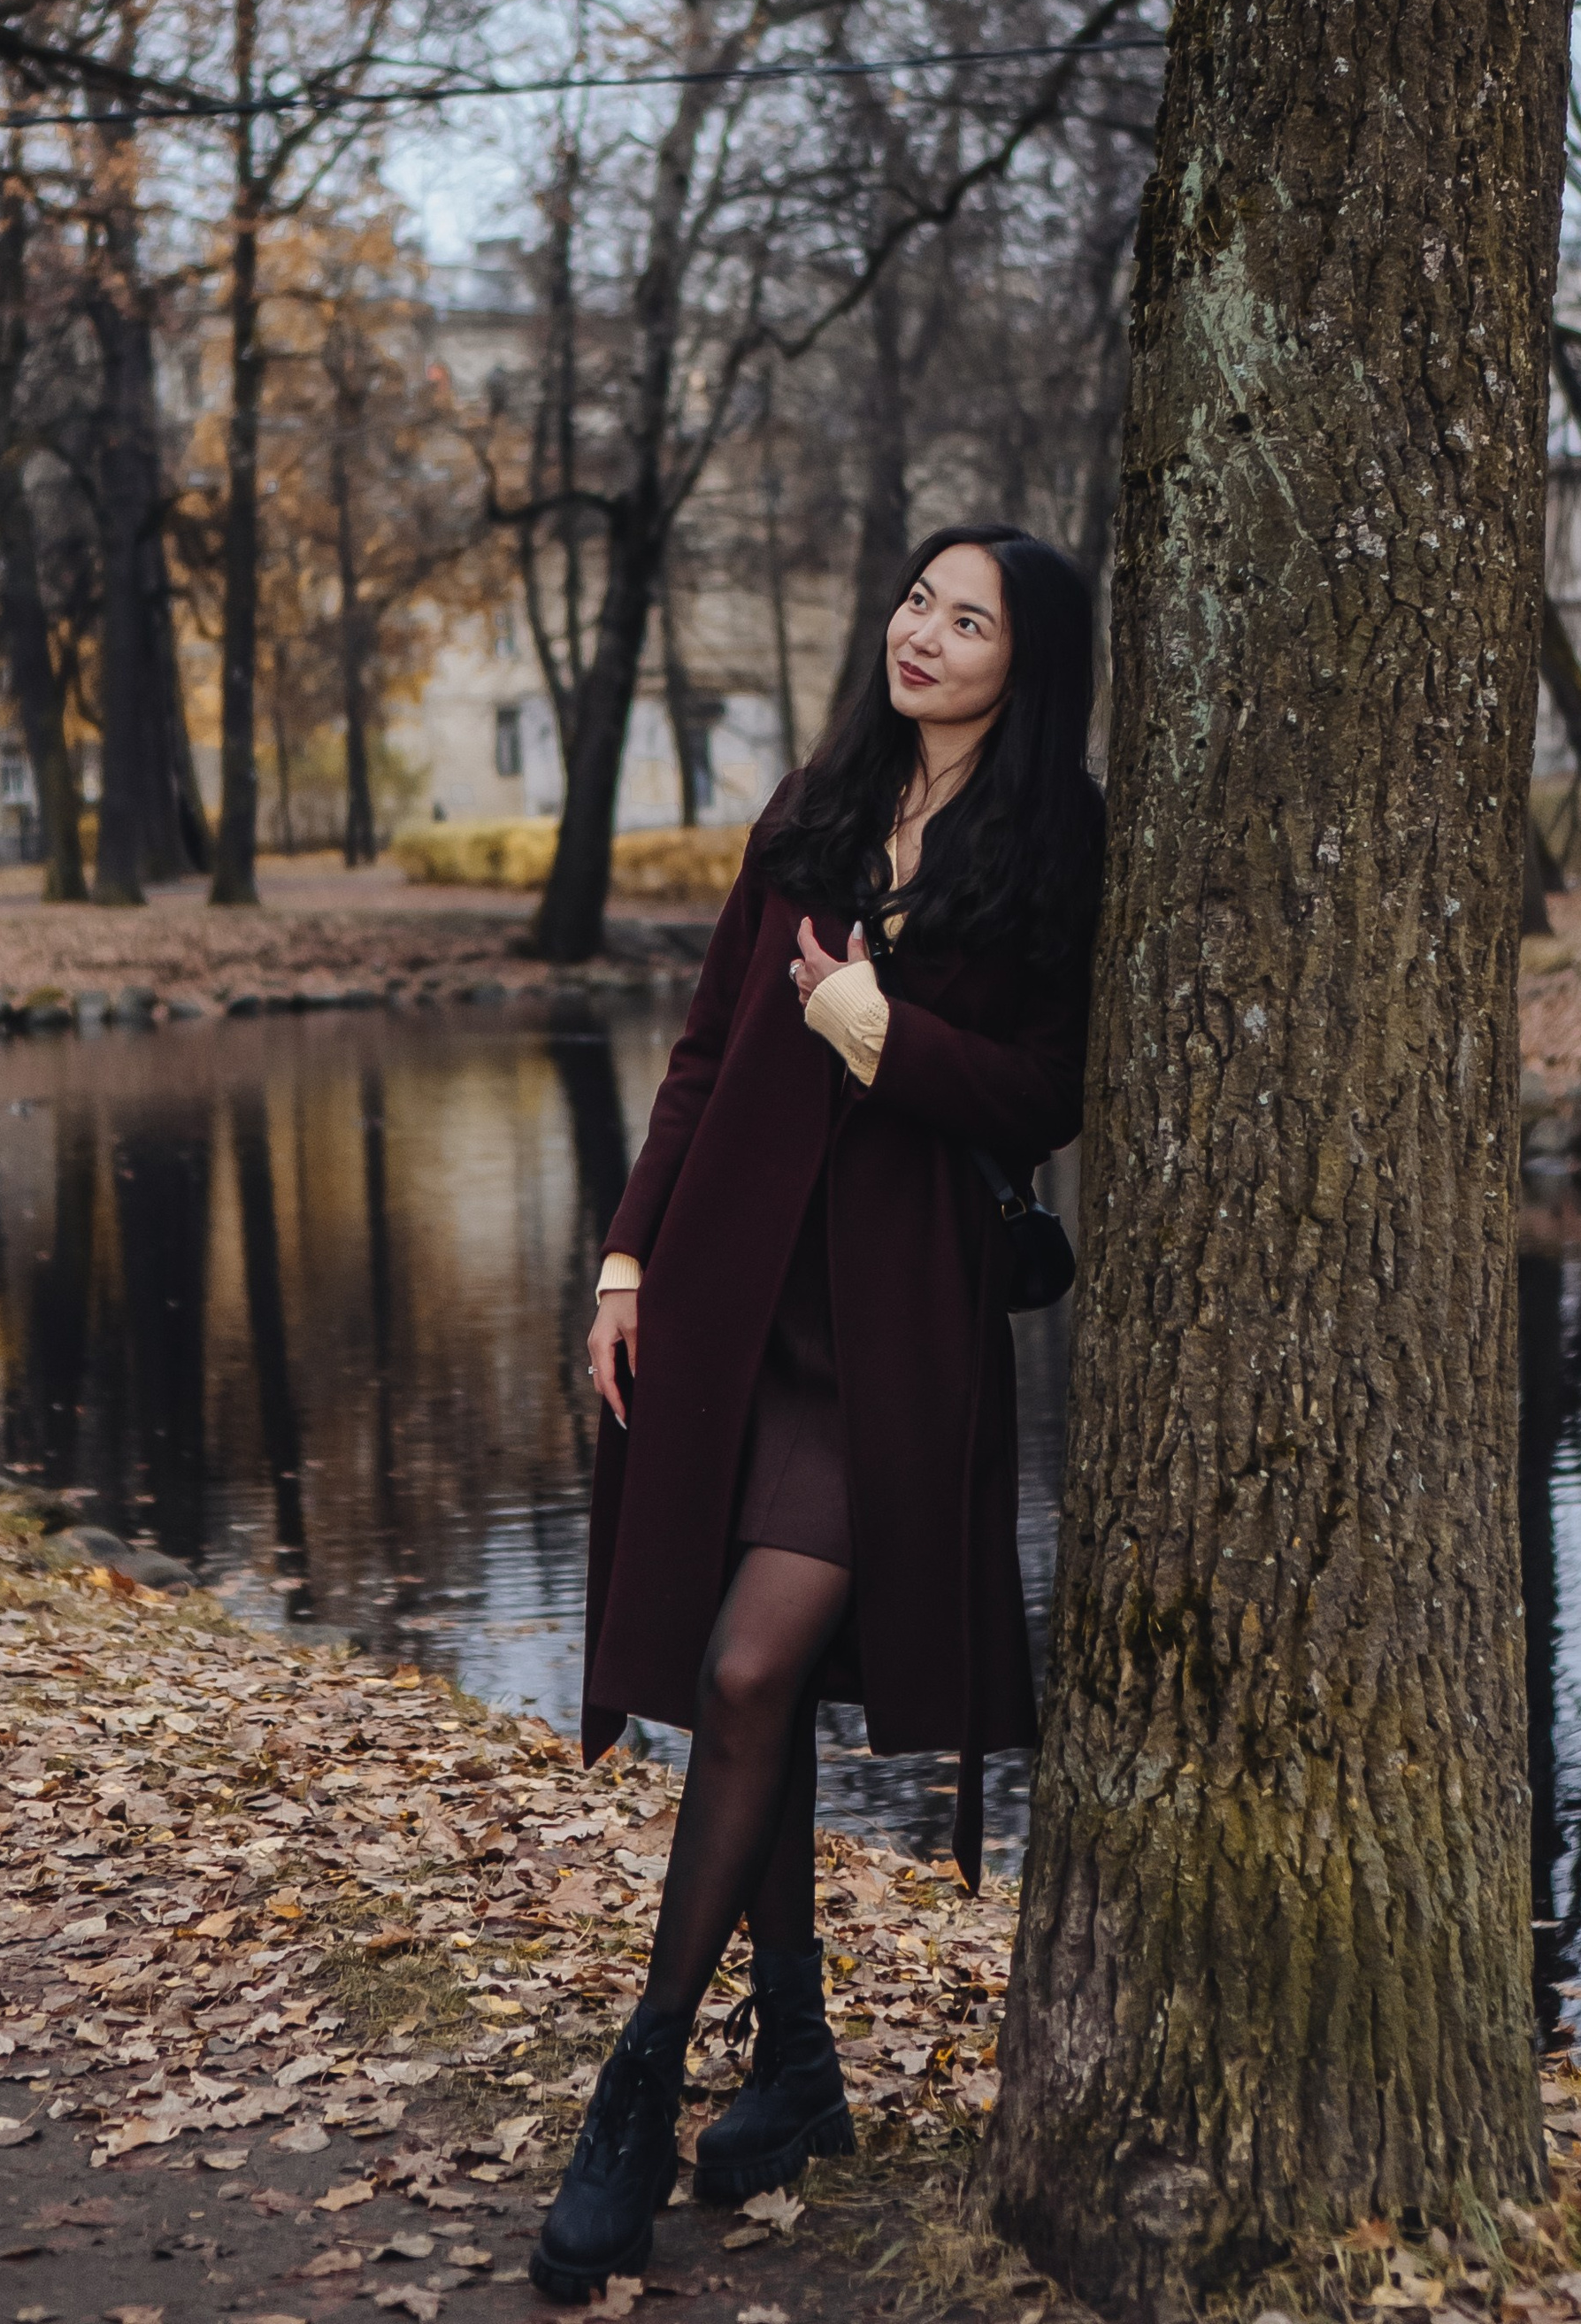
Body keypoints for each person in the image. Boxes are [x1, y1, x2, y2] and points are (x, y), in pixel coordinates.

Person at [528, 523, 1105, 2305]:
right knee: (727, 1674)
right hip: (726, 1298)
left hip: (894, 1323)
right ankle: (792, 2062)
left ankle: (636, 2088)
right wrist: (624, 1263)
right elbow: (705, 1049)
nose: (920, 635)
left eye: (966, 618)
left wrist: (877, 1029)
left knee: (751, 1672)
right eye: (915, 603)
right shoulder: (812, 809)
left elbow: (1046, 1091)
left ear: (1029, 660)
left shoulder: (1055, 839)